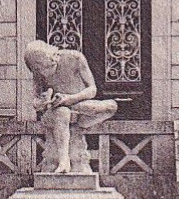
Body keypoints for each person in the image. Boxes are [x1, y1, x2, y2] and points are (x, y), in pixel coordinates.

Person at [24, 39, 117, 174]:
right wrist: (41, 102)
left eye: (49, 68)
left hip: (78, 107)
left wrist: (70, 99)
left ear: (54, 58)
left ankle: (71, 112)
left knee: (111, 106)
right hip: (55, 114)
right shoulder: (37, 72)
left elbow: (92, 90)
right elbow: (37, 101)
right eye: (40, 70)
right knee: (63, 112)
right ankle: (64, 161)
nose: (45, 73)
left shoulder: (75, 58)